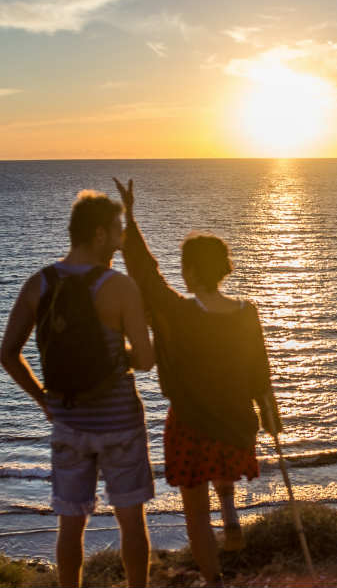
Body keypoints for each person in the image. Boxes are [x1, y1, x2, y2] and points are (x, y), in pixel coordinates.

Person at [115, 178, 280, 586]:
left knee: (195, 516)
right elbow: (260, 372)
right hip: (235, 426)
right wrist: (269, 413)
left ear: (189, 270)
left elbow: (146, 274)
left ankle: (214, 581)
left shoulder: (179, 314)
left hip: (190, 427)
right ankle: (230, 513)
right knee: (219, 471)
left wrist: (131, 219)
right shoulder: (247, 312)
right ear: (224, 268)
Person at [0, 189, 155, 588]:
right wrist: (118, 352)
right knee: (131, 521)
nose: (121, 241)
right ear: (100, 234)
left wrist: (42, 400)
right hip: (120, 422)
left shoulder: (39, 283)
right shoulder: (119, 287)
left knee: (70, 526)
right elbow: (146, 359)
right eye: (119, 232)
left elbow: (8, 355)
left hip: (68, 422)